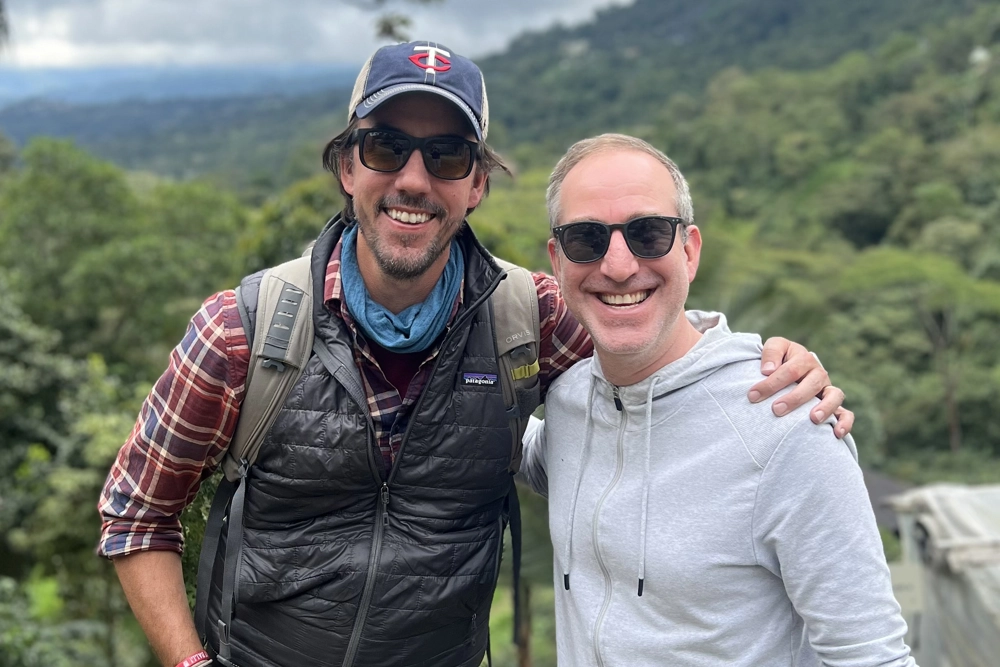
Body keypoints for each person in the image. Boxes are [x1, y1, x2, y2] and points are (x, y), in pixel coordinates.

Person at [97, 43, 851, 667]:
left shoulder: (527, 319)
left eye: (448, 155)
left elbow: (649, 345)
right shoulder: (245, 332)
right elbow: (136, 514)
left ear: (478, 184)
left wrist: (764, 362)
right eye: (387, 147)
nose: (414, 179)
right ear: (348, 168)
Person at [519, 133, 915, 666]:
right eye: (586, 239)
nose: (617, 265)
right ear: (558, 260)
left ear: (690, 250)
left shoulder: (787, 425)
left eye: (648, 233)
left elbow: (872, 655)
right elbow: (498, 439)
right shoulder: (568, 406)